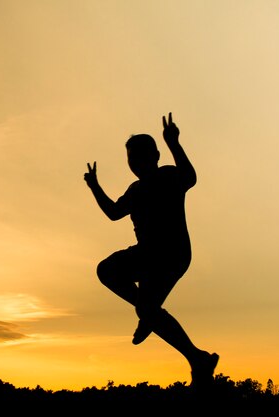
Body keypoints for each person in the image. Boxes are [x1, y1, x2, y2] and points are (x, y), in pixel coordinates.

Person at [84, 112, 218, 387]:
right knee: (108, 272)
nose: (137, 163)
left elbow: (190, 178)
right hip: (146, 255)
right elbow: (113, 212)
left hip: (172, 254)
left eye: (142, 156)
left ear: (156, 156)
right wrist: (95, 186)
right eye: (132, 159)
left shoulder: (169, 176)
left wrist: (174, 143)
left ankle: (150, 315)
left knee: (146, 309)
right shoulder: (135, 190)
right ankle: (195, 357)